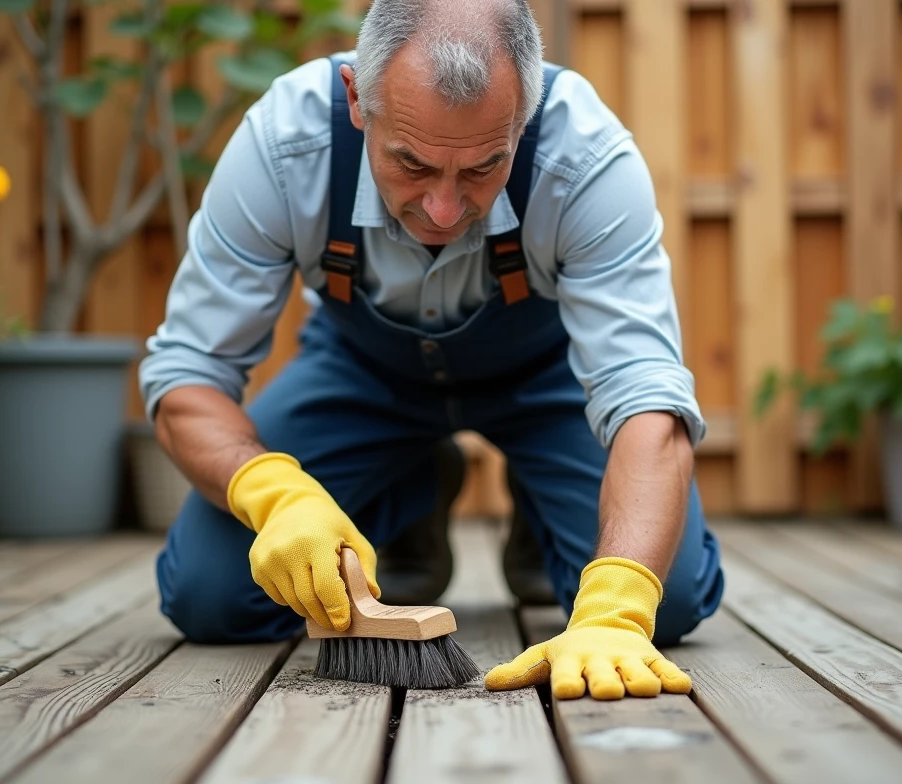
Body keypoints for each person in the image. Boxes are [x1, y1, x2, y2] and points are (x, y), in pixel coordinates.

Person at [139, 0, 724, 702]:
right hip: (362, 379)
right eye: (411, 163)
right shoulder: (285, 144)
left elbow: (646, 395)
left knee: (668, 599)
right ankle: (410, 489)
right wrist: (277, 498)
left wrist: (616, 610)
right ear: (358, 99)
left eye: (484, 167)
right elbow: (187, 375)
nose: (444, 210)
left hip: (546, 382)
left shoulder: (587, 156)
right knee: (208, 595)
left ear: (526, 116)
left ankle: (540, 513)